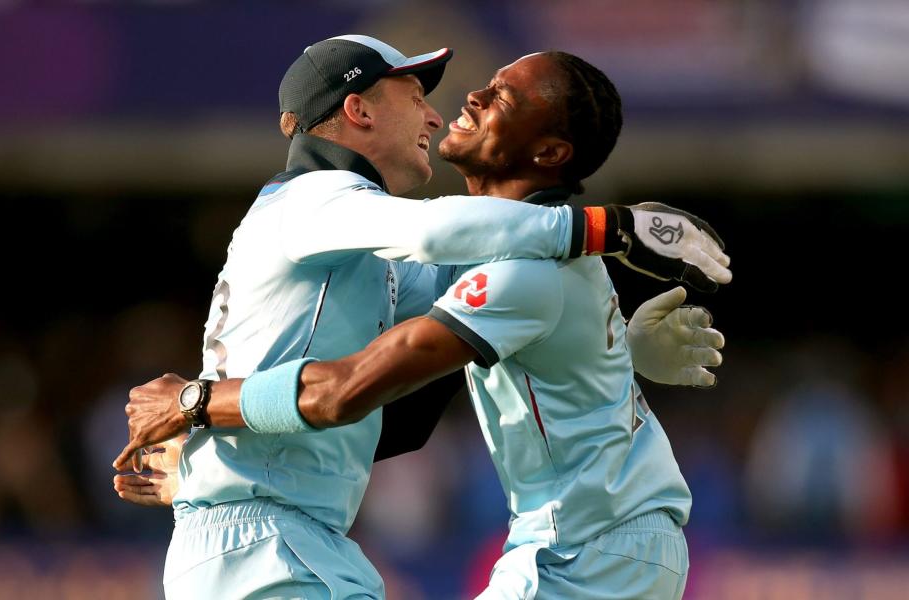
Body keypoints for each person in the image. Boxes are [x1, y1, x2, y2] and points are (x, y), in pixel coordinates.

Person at [116, 36, 729, 599]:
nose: (441, 113)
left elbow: (381, 405)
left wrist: (204, 427)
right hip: (277, 546)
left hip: (571, 549)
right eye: (416, 97)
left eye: (500, 96)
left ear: (547, 149)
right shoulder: (314, 197)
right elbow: (431, 239)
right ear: (359, 110)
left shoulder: (504, 267)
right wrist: (611, 229)